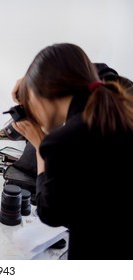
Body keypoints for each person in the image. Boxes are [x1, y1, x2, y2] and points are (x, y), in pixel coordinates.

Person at [10, 43, 133, 260]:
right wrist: (35, 78)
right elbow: (100, 71)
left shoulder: (62, 142)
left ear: (43, 93)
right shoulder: (124, 110)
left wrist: (40, 144)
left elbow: (50, 213)